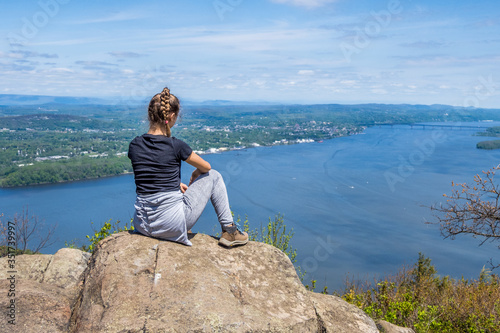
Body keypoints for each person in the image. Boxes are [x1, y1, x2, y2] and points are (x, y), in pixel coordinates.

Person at [128, 87, 248, 247]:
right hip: (172, 224)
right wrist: (194, 176)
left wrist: (175, 185)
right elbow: (206, 167)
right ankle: (230, 231)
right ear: (171, 116)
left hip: (142, 225)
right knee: (215, 176)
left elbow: (149, 173)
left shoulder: (135, 145)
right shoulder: (176, 145)